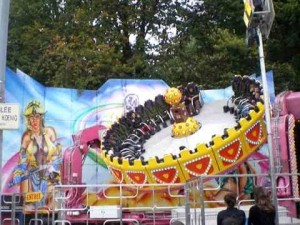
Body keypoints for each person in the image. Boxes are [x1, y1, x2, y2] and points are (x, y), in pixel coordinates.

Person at [11, 100, 62, 209]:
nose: (34, 120)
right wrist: (17, 173)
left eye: (37, 116)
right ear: (28, 119)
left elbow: (58, 155)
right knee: (32, 209)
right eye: (31, 117)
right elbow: (22, 161)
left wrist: (54, 168)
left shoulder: (50, 132)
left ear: (41, 117)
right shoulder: (26, 137)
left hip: (50, 178)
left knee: (52, 208)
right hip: (33, 179)